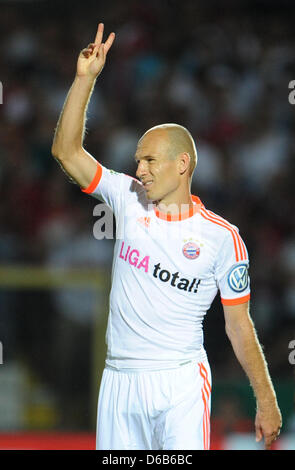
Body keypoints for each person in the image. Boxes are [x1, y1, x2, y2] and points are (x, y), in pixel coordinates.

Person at [51, 23, 282, 450]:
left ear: (183, 164)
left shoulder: (222, 238)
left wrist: (265, 399)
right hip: (119, 379)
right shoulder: (125, 197)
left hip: (180, 381)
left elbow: (238, 325)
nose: (139, 169)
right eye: (138, 160)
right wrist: (85, 80)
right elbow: (67, 153)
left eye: (151, 159)